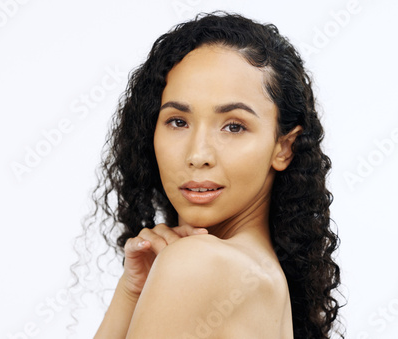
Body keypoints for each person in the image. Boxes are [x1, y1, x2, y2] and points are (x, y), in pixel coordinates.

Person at [91, 11, 343, 338]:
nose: (198, 155)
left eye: (234, 126)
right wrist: (131, 291)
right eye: (178, 121)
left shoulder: (198, 264)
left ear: (283, 147)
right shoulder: (264, 278)